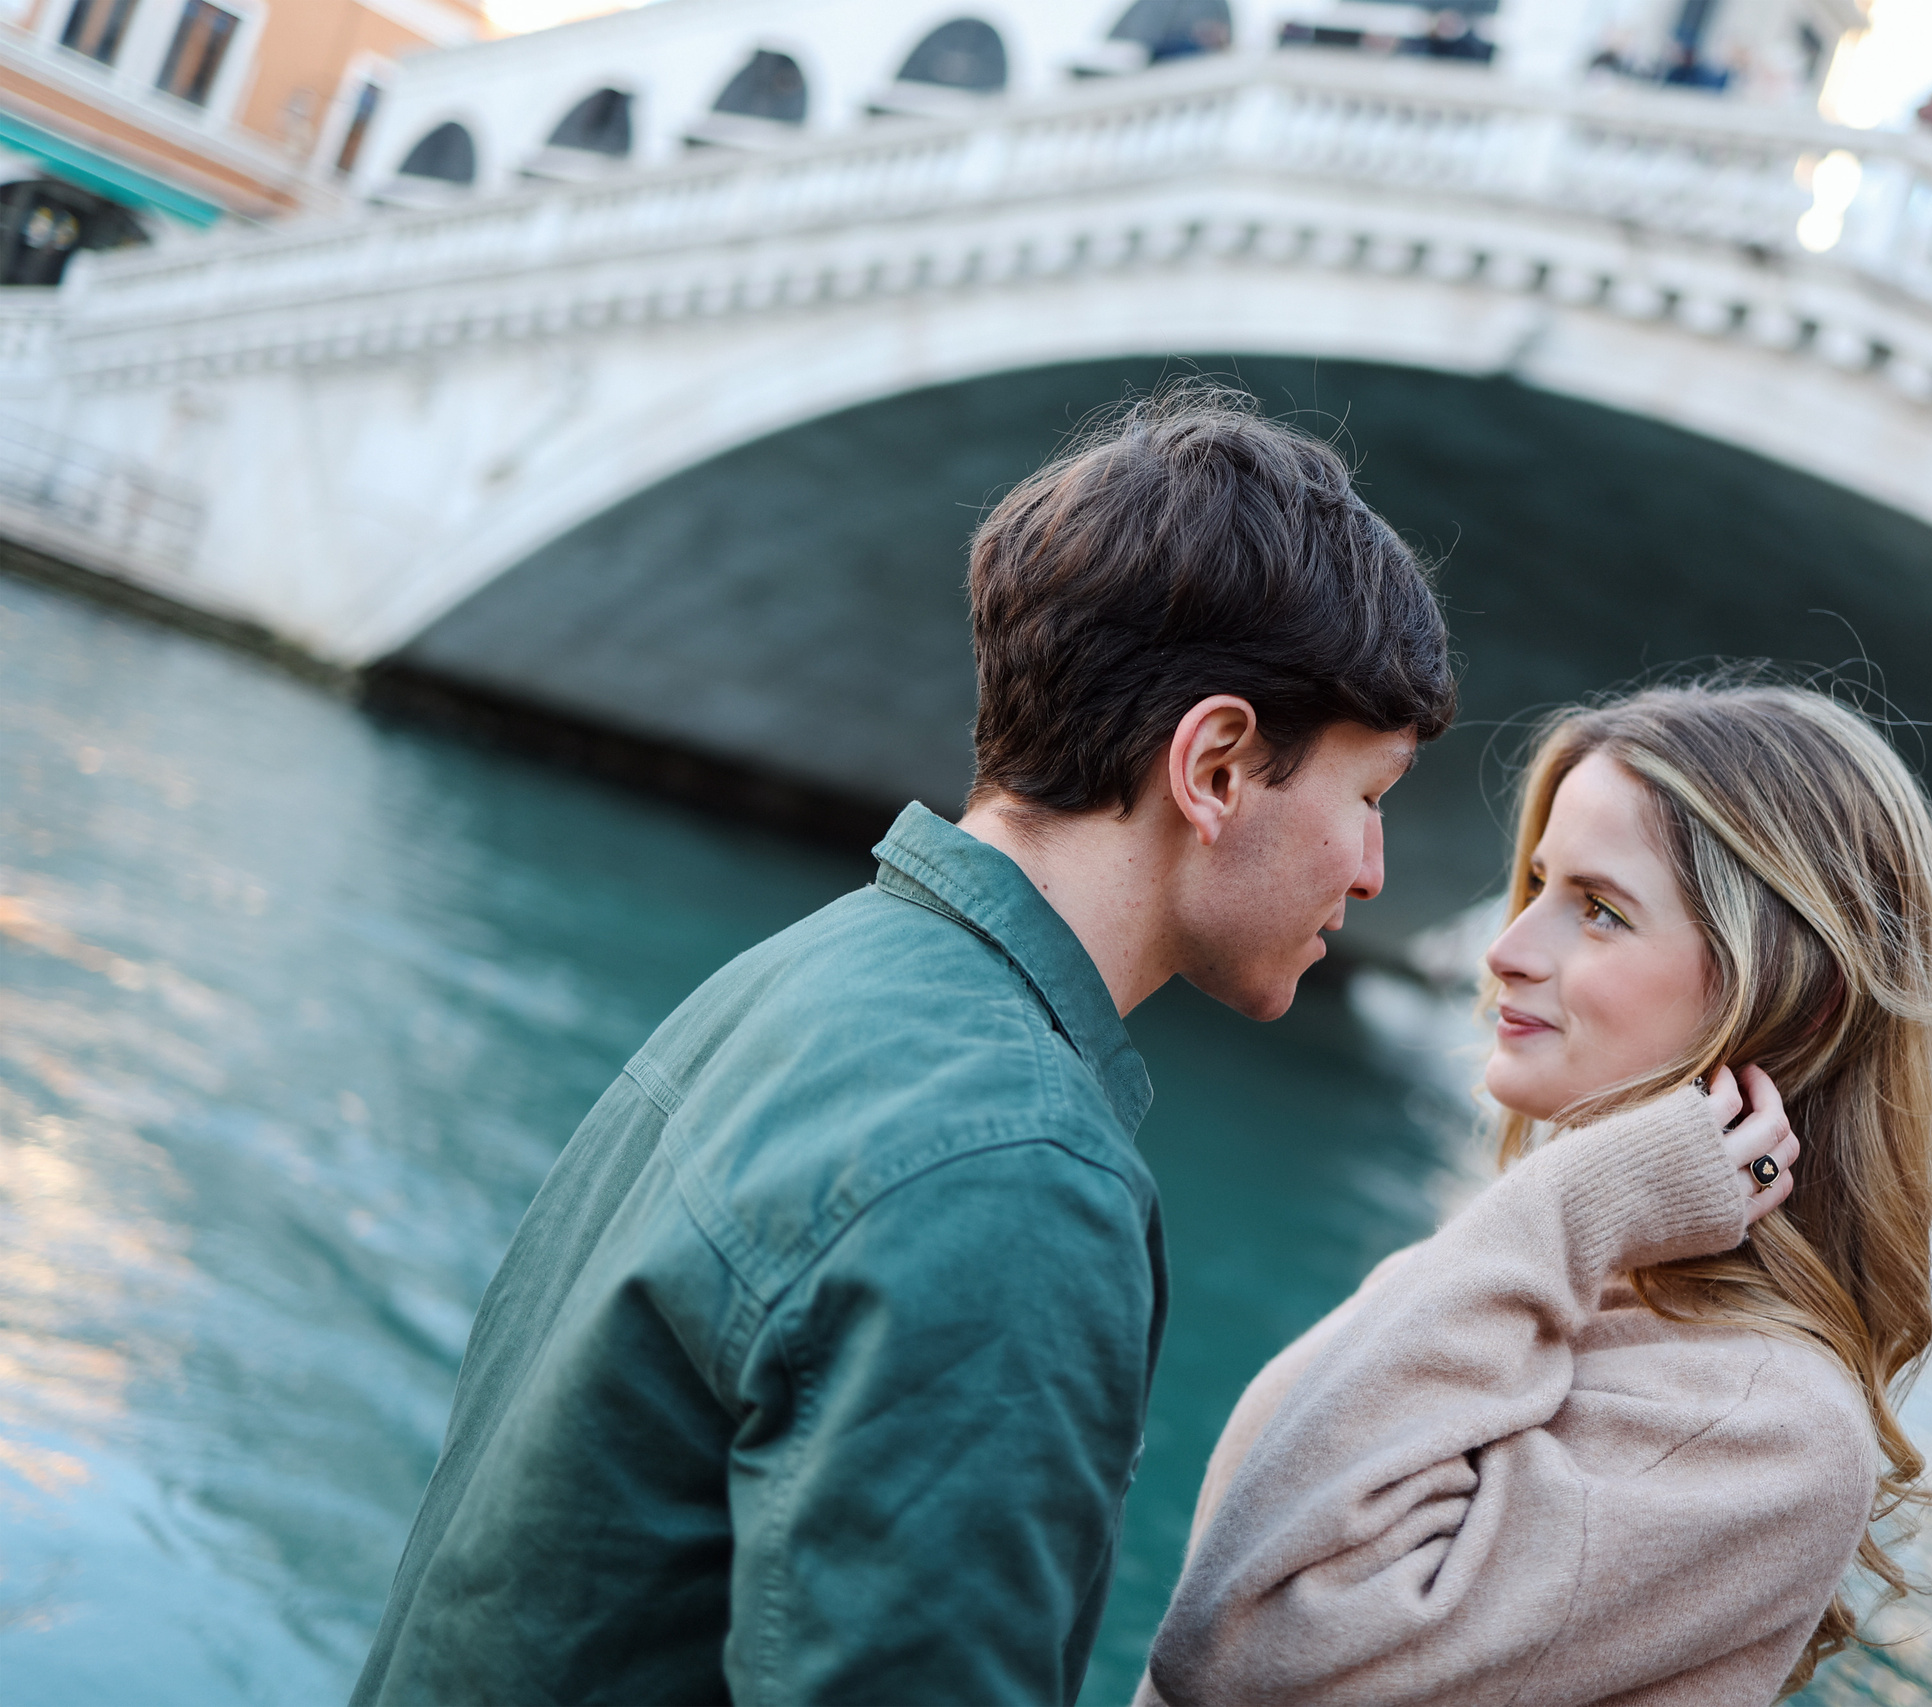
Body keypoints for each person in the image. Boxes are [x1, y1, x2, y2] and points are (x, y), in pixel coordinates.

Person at [351, 384, 1456, 1707]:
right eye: (1371, 795)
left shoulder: (805, 974)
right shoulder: (1017, 1174)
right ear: (1215, 765)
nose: (1379, 869)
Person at [1139, 681, 1932, 1706]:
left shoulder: (1768, 1424)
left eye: (1600, 912)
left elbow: (1251, 1653)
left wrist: (1571, 1203)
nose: (1507, 949)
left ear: (1789, 997)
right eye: (1533, 886)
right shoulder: (1545, 1273)